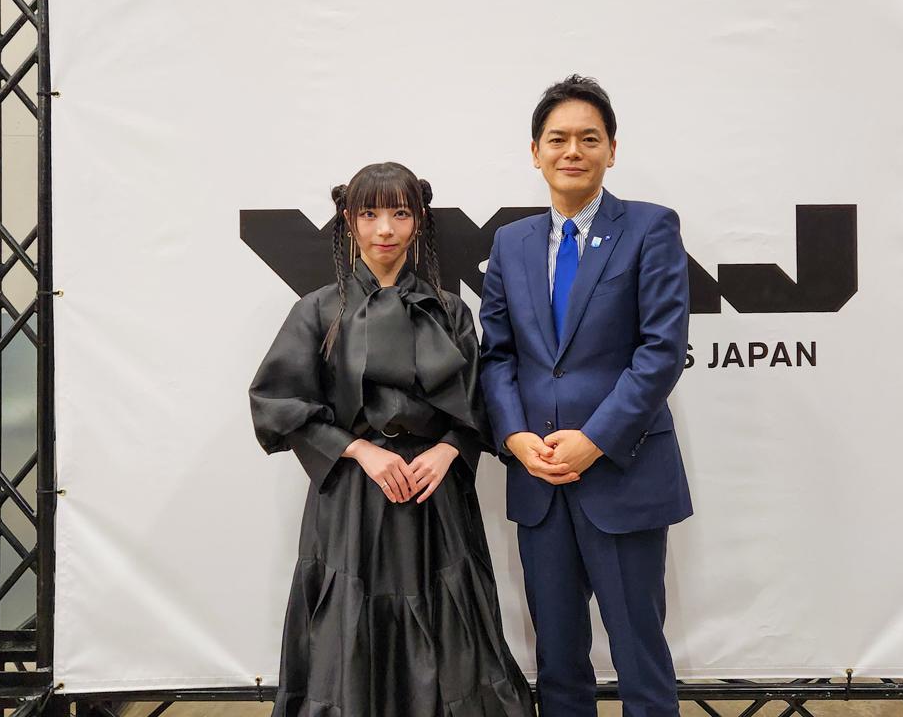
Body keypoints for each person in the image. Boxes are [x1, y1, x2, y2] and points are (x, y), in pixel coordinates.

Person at [249, 162, 535, 717]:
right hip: (352, 497)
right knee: (349, 625)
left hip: (435, 496)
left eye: (400, 214)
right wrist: (359, 450)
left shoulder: (450, 310)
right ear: (348, 221)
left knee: (452, 626)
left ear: (419, 221)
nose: (385, 229)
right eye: (370, 214)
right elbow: (277, 403)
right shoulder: (317, 310)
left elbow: (481, 402)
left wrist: (448, 450)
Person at [479, 75, 693, 717]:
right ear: (535, 152)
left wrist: (595, 439)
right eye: (558, 139)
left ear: (611, 151)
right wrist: (515, 437)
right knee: (557, 660)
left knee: (639, 654)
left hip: (622, 473)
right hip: (539, 479)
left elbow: (660, 351)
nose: (572, 150)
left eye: (589, 139)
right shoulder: (511, 243)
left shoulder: (650, 228)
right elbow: (497, 354)